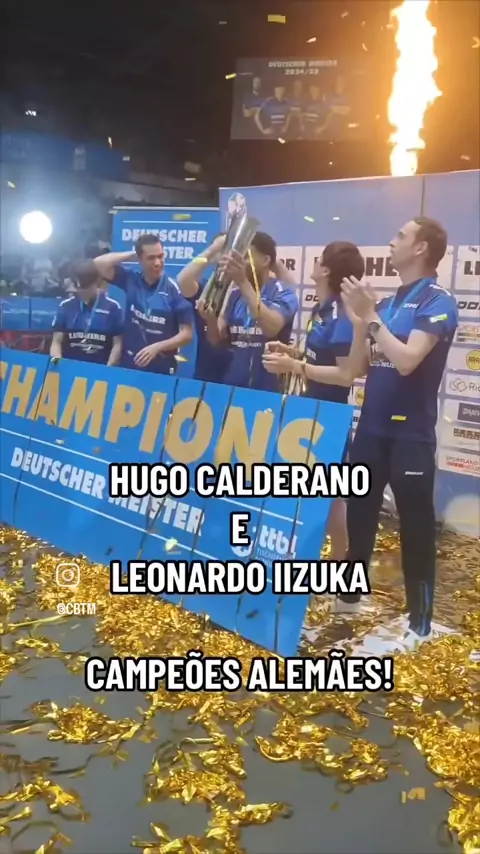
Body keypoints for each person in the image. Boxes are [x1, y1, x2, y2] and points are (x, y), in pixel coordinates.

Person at [339, 216, 459, 653]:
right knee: (359, 518)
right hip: (371, 430)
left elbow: (408, 360)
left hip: (411, 437)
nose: (391, 243)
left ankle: (419, 623)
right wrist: (360, 322)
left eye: (400, 237)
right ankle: (348, 600)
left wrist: (372, 319)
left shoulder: (438, 300)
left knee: (416, 528)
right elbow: (356, 368)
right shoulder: (387, 304)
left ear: (421, 247)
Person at [262, 242, 366, 563]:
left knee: (330, 496)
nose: (315, 264)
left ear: (327, 270)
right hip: (311, 409)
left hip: (330, 417)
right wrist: (292, 352)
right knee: (324, 495)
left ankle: (338, 561)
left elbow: (346, 375)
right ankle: (327, 557)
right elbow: (319, 357)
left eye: (320, 260)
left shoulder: (341, 316)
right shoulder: (322, 309)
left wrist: (295, 366)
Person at [178, 234, 298, 384]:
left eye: (246, 257)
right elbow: (217, 340)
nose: (238, 262)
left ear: (265, 260)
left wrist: (242, 281)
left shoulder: (282, 291)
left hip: (267, 389)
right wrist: (211, 320)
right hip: (231, 386)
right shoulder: (235, 294)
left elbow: (271, 328)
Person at [92, 235, 194, 375]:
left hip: (161, 367)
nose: (157, 263)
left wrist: (158, 347)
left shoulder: (173, 289)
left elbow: (187, 334)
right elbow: (99, 263)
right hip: (129, 363)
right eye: (151, 258)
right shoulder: (131, 279)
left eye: (160, 256)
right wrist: (132, 255)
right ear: (139, 259)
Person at [50, 261, 123, 365]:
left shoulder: (113, 307)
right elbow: (56, 342)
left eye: (86, 287)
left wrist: (108, 369)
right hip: (69, 367)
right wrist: (56, 363)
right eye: (78, 287)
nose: (82, 291)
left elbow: (117, 343)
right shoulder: (65, 306)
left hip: (100, 369)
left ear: (97, 282)